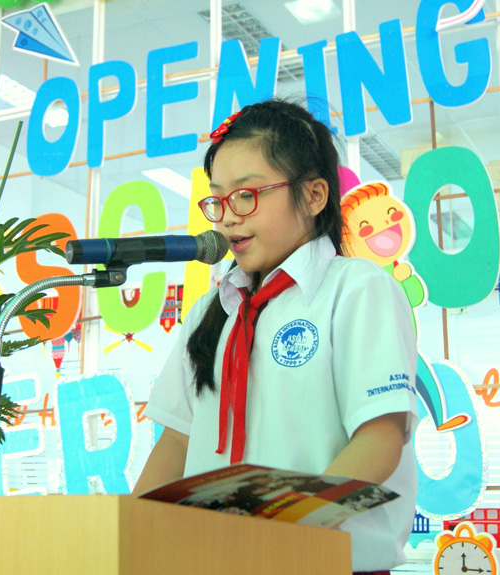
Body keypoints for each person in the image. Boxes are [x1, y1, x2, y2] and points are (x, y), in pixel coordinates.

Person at [133, 98, 419, 574]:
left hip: (325, 563)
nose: (226, 216)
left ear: (313, 195)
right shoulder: (211, 309)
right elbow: (177, 442)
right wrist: (133, 539)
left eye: (247, 195)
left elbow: (380, 436)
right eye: (217, 198)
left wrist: (284, 531)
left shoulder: (357, 289)